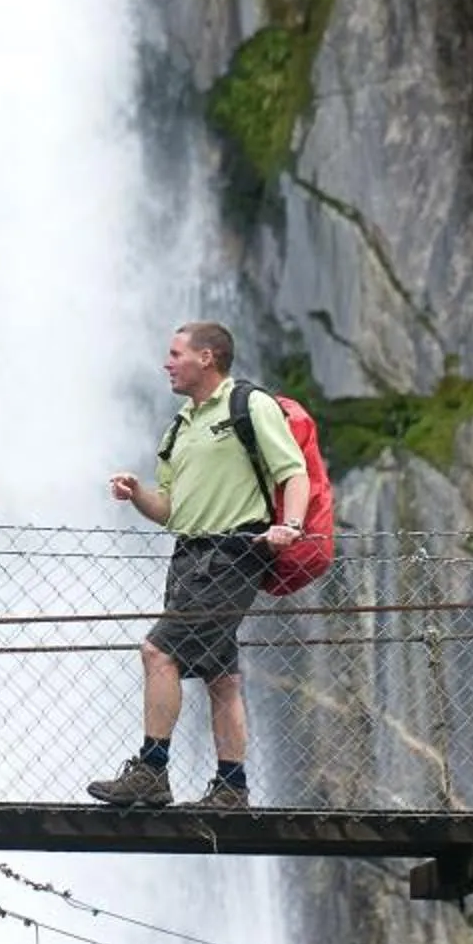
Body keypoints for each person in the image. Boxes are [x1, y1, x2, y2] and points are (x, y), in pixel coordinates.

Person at [86, 321, 309, 811]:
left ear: (206, 357)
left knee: (157, 652)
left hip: (233, 554)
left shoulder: (249, 405)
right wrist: (138, 493)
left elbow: (294, 471)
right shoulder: (179, 427)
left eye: (175, 354)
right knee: (221, 678)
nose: (166, 363)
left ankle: (151, 771)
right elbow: (170, 510)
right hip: (190, 557)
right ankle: (232, 788)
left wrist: (289, 525)